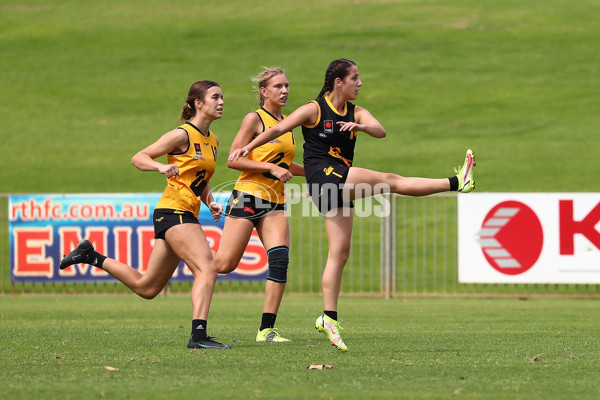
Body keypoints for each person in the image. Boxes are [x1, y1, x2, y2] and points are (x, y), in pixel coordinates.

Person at [229, 59, 476, 352]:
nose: (360, 83)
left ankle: (329, 319)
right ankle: (457, 182)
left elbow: (380, 130)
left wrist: (360, 126)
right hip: (325, 178)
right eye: (354, 78)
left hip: (335, 185)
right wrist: (249, 146)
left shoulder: (356, 111)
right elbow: (278, 127)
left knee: (340, 253)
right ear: (338, 82)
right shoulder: (314, 108)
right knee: (390, 180)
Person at [60, 80, 231, 349]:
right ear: (199, 103)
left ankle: (89, 255)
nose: (221, 102)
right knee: (207, 267)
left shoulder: (213, 140)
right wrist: (160, 168)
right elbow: (139, 157)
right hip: (173, 211)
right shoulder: (182, 135)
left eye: (222, 97)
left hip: (183, 213)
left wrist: (210, 203)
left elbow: (200, 178)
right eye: (215, 97)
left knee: (148, 288)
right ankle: (198, 336)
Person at [215, 67, 304, 343]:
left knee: (280, 260)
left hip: (275, 202)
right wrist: (270, 167)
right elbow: (232, 159)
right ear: (264, 92)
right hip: (248, 197)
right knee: (225, 264)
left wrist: (318, 172)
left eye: (287, 85)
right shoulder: (254, 119)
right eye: (278, 86)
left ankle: (266, 330)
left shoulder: (287, 123)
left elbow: (284, 165)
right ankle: (184, 256)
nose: (285, 90)